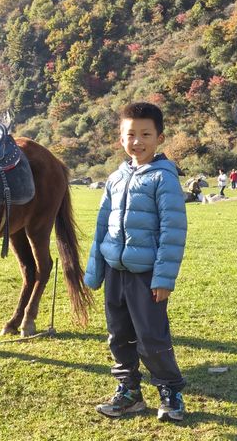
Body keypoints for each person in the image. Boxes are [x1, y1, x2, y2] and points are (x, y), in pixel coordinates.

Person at [84, 102, 187, 422]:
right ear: (120, 138)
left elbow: (173, 231)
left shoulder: (164, 179)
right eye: (131, 134)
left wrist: (163, 278)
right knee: (118, 335)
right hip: (115, 272)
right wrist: (95, 270)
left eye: (145, 134)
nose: (137, 141)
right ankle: (129, 392)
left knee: (152, 337)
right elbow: (102, 225)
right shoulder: (116, 178)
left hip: (146, 276)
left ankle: (170, 392)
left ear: (159, 138)